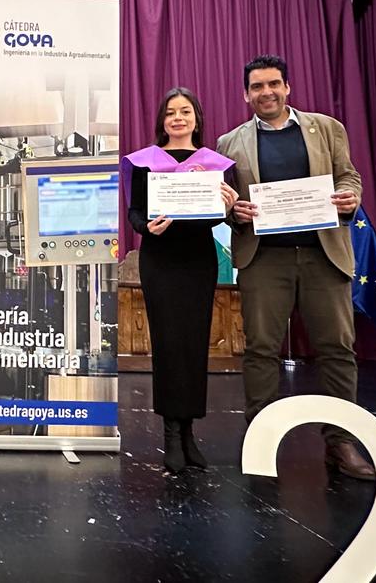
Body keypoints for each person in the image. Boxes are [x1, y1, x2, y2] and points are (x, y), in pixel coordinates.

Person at [217, 54, 375, 480]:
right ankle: (262, 441)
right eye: (256, 87)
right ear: (245, 93)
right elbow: (225, 201)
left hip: (324, 255)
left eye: (273, 84)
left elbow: (349, 177)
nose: (265, 92)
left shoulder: (326, 128)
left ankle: (340, 443)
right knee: (261, 349)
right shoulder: (229, 142)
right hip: (264, 258)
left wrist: (349, 197)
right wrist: (237, 213)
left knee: (337, 350)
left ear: (287, 87)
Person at [127, 88, 237, 473]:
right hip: (160, 261)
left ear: (196, 118)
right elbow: (135, 212)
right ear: (162, 120)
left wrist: (225, 206)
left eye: (185, 111)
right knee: (168, 343)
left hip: (197, 261)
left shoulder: (215, 164)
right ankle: (170, 434)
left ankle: (189, 433)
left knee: (194, 345)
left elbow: (216, 219)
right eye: (171, 112)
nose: (178, 118)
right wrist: (147, 228)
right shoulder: (145, 162)